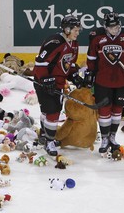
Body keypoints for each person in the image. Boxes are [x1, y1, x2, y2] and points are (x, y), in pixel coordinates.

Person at [84, 11, 124, 154]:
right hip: (102, 81)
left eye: (117, 26)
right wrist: (90, 74)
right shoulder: (96, 37)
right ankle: (105, 138)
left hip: (122, 81)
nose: (114, 29)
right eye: (111, 27)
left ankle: (112, 137)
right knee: (104, 110)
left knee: (118, 109)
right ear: (105, 27)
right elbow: (91, 59)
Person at [33, 15, 83, 156]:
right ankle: (49, 141)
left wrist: (74, 76)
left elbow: (70, 64)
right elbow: (40, 63)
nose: (77, 33)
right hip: (43, 82)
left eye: (78, 30)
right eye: (75, 30)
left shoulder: (74, 44)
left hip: (59, 83)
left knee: (48, 111)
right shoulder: (54, 42)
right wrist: (45, 80)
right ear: (67, 29)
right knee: (52, 112)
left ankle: (44, 135)